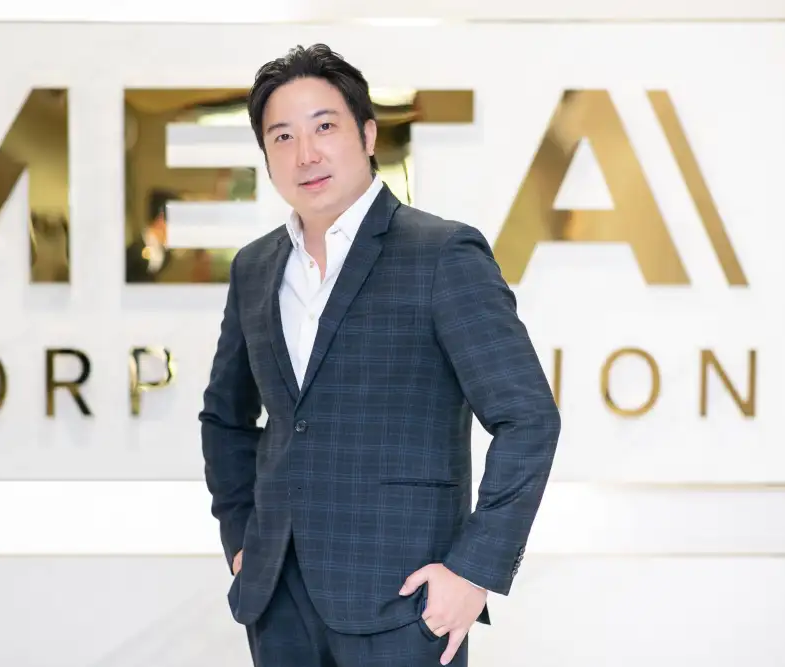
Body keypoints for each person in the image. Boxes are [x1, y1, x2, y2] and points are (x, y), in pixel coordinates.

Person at [199, 44, 560, 667]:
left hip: (404, 603)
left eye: (324, 127)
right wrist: (241, 540)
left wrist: (473, 573)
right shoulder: (255, 266)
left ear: (368, 135)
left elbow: (528, 418)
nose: (305, 153)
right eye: (282, 136)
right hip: (276, 601)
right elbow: (225, 418)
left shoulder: (442, 254)